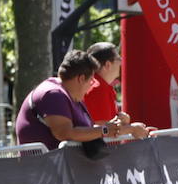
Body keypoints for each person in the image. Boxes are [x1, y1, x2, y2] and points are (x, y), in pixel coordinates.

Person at [15, 49, 145, 150]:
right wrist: (105, 130)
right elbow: (64, 133)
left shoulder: (68, 94)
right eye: (91, 81)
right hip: (43, 174)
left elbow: (87, 130)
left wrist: (120, 128)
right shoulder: (53, 94)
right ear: (81, 78)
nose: (92, 85)